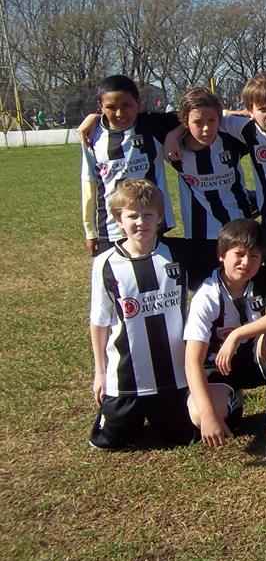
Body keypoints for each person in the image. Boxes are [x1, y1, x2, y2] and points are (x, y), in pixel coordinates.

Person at [88, 180, 195, 449]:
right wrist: (100, 373)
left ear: (160, 217)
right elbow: (100, 322)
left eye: (148, 215)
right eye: (132, 215)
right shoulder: (105, 263)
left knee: (183, 437)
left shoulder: (178, 253)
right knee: (108, 444)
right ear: (118, 219)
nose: (141, 222)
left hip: (175, 376)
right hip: (126, 379)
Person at [183, 219, 266, 445]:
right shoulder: (206, 295)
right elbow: (192, 362)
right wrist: (208, 416)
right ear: (222, 255)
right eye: (239, 254)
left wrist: (237, 335)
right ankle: (231, 398)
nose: (246, 262)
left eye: (254, 256)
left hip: (253, 359)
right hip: (218, 367)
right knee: (199, 414)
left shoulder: (263, 278)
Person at [80, 75, 179, 256]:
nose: (119, 113)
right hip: (111, 229)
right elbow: (89, 183)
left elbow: (195, 115)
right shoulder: (91, 135)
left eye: (127, 105)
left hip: (152, 223)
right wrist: (90, 231)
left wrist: (172, 136)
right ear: (100, 106)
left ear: (138, 102)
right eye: (111, 107)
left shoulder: (152, 125)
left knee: (155, 279)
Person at [169, 88, 254, 282]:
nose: (206, 128)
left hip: (239, 227)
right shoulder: (175, 148)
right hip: (200, 235)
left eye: (212, 121)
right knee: (206, 289)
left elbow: (263, 119)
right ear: (184, 122)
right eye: (198, 123)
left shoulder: (232, 140)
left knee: (243, 286)